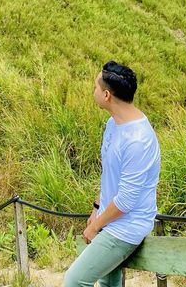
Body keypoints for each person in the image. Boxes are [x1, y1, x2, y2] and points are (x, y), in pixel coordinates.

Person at [64, 61, 161, 287]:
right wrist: (97, 208)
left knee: (74, 281)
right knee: (109, 284)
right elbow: (110, 174)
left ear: (107, 95)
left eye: (95, 87)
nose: (93, 91)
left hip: (128, 226)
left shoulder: (139, 140)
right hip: (111, 218)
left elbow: (126, 201)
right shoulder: (113, 123)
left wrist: (95, 226)